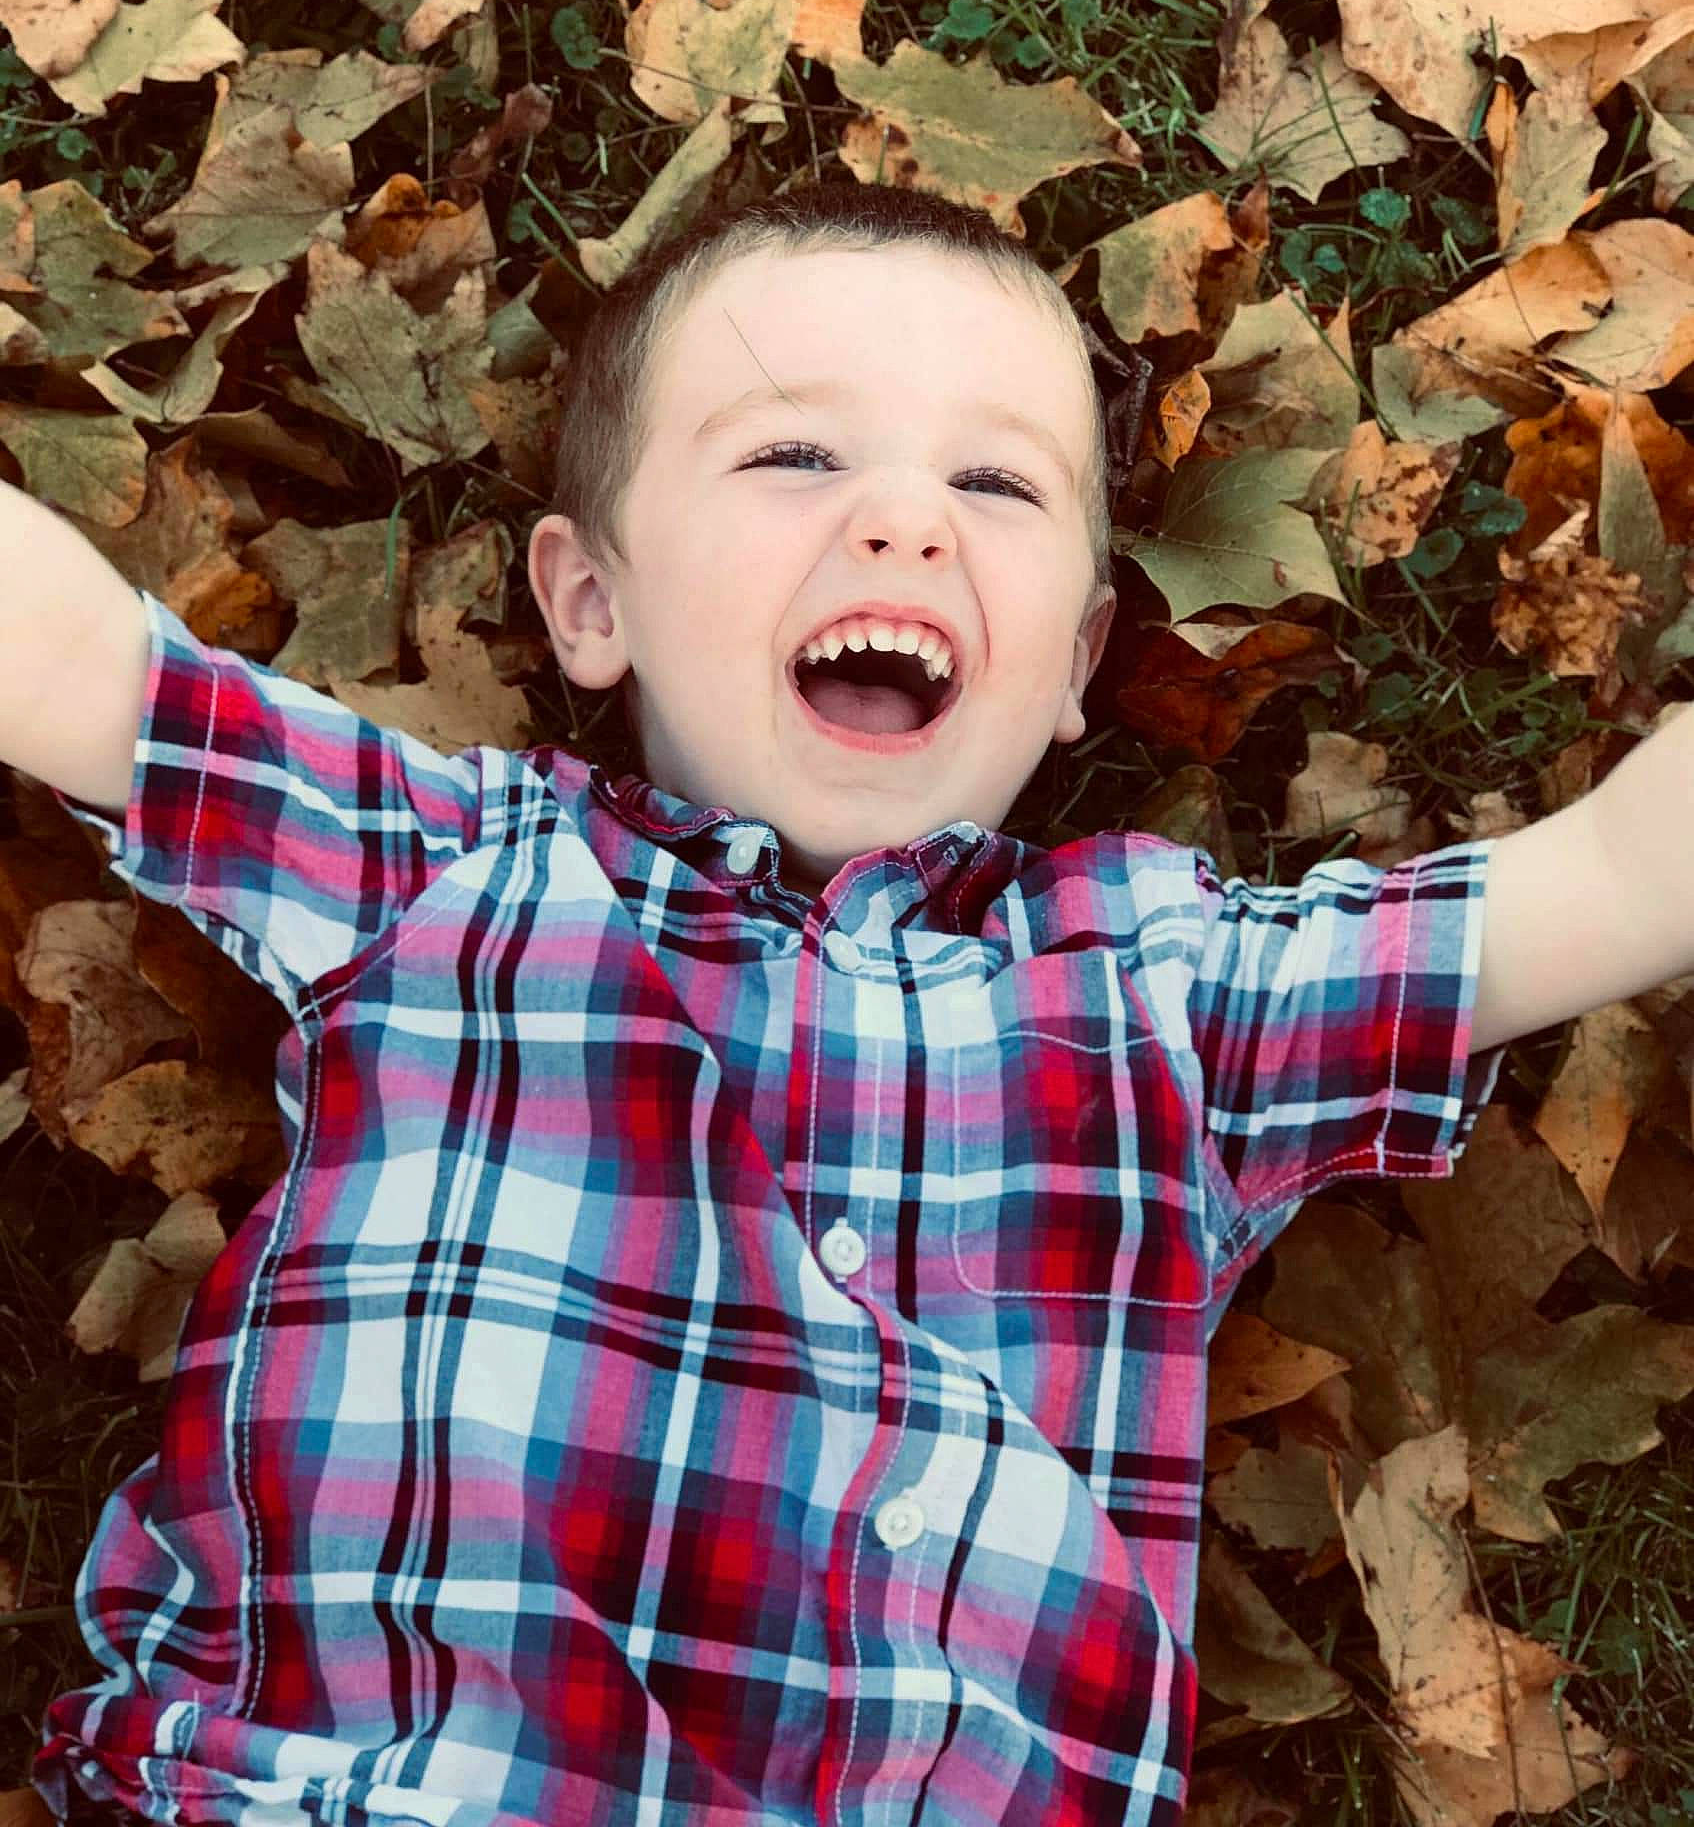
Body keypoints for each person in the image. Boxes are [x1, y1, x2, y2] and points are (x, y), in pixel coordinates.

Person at [2, 181, 1665, 1825]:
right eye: (795, 456)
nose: (905, 519)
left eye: (995, 481)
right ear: (592, 604)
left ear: (1077, 662)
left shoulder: (1172, 989)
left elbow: (1593, 888)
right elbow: (91, 674)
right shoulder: (451, 867)